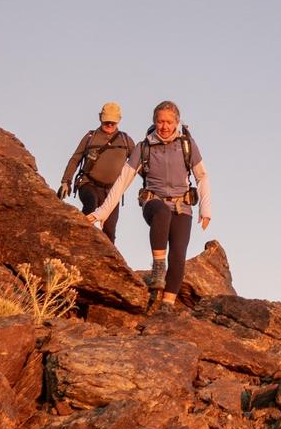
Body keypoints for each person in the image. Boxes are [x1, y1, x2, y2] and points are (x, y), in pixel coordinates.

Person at [89, 100, 211, 312]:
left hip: (182, 207)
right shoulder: (143, 147)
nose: (164, 126)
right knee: (162, 212)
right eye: (160, 121)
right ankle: (157, 267)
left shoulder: (186, 145)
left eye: (168, 122)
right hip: (153, 202)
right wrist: (102, 212)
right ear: (154, 122)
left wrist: (206, 209)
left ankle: (166, 305)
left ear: (177, 122)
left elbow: (202, 177)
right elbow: (122, 181)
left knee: (178, 256)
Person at [58, 101, 135, 241]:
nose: (109, 125)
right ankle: (80, 241)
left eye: (113, 122)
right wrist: (66, 182)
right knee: (90, 205)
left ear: (119, 120)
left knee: (110, 230)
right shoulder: (90, 137)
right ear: (100, 118)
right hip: (88, 183)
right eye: (106, 122)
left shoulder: (125, 140)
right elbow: (75, 158)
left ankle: (107, 260)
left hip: (112, 191)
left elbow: (137, 164)